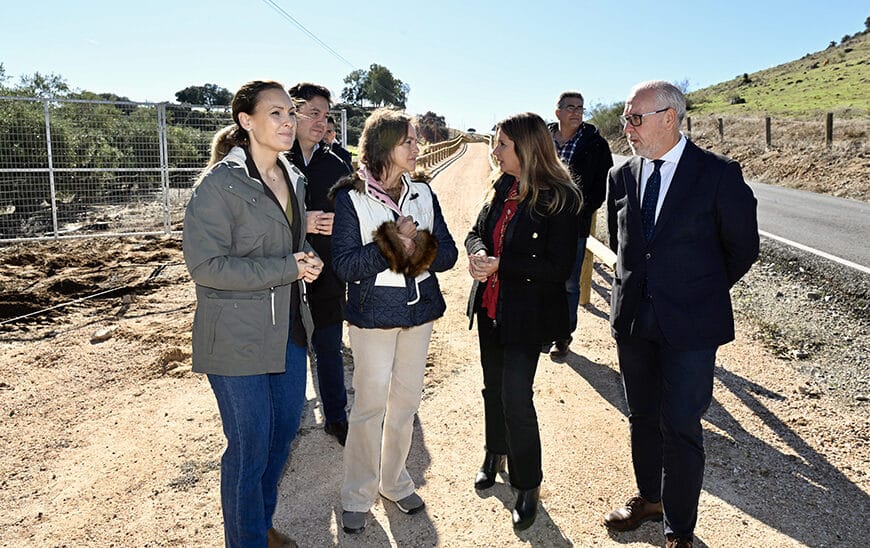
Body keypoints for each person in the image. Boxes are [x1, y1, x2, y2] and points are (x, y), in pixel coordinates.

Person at [603, 81, 759, 548]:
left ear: (669, 118)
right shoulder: (621, 176)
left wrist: (696, 291)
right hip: (634, 321)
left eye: (635, 118)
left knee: (682, 426)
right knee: (642, 416)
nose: (627, 128)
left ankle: (680, 529)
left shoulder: (717, 174)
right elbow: (622, 245)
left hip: (691, 325)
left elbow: (743, 248)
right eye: (626, 119)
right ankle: (649, 499)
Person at [182, 80, 323, 548]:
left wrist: (306, 258)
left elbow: (286, 243)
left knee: (281, 437)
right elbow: (206, 267)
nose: (288, 122)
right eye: (275, 113)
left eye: (291, 113)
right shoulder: (218, 185)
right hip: (235, 337)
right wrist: (287, 267)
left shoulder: (293, 178)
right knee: (249, 448)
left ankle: (258, 528)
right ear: (246, 121)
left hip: (288, 331)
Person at [331, 108, 457, 534]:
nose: (417, 148)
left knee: (405, 404)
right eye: (409, 142)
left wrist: (416, 242)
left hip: (419, 314)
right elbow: (346, 265)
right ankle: (357, 495)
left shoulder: (423, 192)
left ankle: (394, 482)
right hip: (372, 316)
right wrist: (391, 242)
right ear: (385, 146)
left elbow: (449, 255)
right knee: (369, 407)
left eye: (416, 141)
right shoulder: (350, 197)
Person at [465, 112, 580, 531]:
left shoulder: (560, 198)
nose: (495, 151)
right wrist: (479, 253)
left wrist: (502, 264)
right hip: (490, 308)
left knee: (516, 397)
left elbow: (558, 267)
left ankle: (528, 484)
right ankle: (494, 452)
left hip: (526, 316)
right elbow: (475, 232)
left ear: (527, 149)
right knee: (491, 388)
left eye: (502, 144)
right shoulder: (501, 186)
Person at [286, 83, 352, 446]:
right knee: (289, 351)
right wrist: (303, 223)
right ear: (292, 113)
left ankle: (337, 417)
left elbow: (353, 217)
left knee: (329, 346)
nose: (321, 122)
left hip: (327, 274)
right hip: (281, 275)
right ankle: (286, 422)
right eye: (313, 113)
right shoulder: (274, 161)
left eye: (325, 116)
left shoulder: (337, 164)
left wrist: (339, 224)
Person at [547, 91, 613, 358]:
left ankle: (562, 337)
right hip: (539, 222)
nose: (576, 112)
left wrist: (581, 211)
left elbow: (601, 187)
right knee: (539, 278)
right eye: (570, 107)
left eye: (580, 108)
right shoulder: (542, 139)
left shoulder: (596, 144)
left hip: (573, 226)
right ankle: (541, 331)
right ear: (558, 112)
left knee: (569, 283)